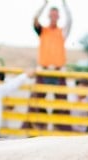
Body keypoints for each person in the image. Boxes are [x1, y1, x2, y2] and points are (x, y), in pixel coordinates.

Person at [30, 0, 72, 130]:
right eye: (51, 14)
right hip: (44, 70)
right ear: (48, 16)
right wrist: (44, 4)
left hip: (58, 71)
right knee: (37, 101)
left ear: (58, 17)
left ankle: (60, 128)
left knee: (61, 102)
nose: (53, 17)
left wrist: (64, 4)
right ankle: (37, 128)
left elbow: (70, 20)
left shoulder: (62, 32)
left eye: (56, 15)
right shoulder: (43, 30)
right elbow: (35, 19)